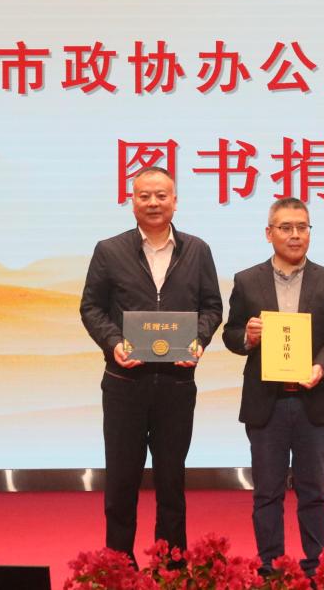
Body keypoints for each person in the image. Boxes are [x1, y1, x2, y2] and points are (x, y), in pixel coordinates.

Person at [79, 166, 223, 563]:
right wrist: (113, 343)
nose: (153, 203)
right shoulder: (109, 250)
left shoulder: (198, 250)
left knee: (171, 482)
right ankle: (118, 565)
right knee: (121, 481)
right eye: (145, 196)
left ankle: (171, 566)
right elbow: (91, 307)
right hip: (124, 384)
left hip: (177, 385)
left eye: (161, 195)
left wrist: (199, 339)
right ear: (133, 203)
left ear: (175, 201)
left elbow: (212, 307)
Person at [223, 197, 324, 577]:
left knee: (315, 492)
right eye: (286, 227)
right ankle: (271, 569)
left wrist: (320, 367)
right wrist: (247, 337)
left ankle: (317, 570)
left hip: (314, 400)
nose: (295, 235)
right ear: (269, 233)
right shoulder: (247, 280)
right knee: (267, 493)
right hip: (268, 404)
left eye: (302, 227)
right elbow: (231, 334)